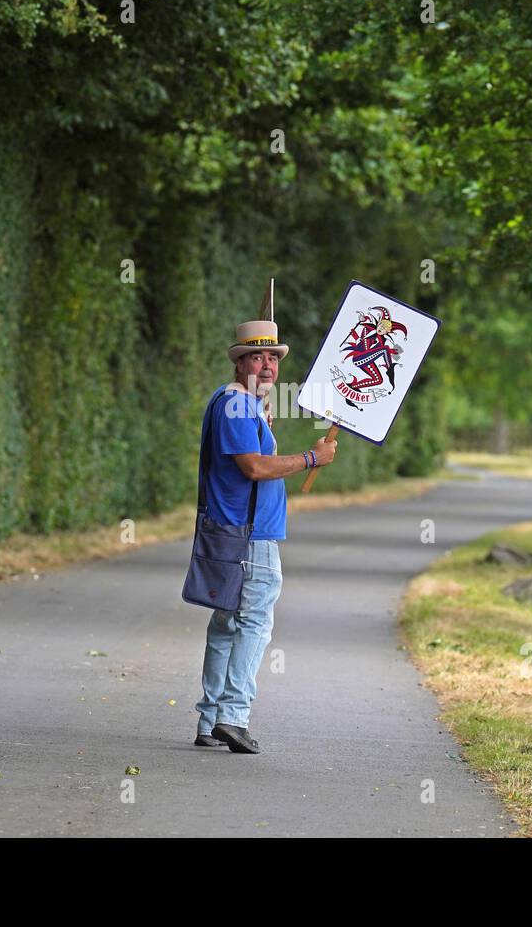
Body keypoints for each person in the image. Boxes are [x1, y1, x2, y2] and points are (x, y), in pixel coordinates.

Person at [193, 317, 338, 754]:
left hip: (231, 529)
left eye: (272, 357)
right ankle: (233, 717)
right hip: (248, 535)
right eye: (257, 356)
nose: (267, 364)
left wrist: (263, 419)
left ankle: (210, 718)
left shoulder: (236, 402)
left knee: (225, 623)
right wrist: (312, 457)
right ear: (240, 363)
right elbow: (253, 468)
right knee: (252, 623)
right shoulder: (237, 405)